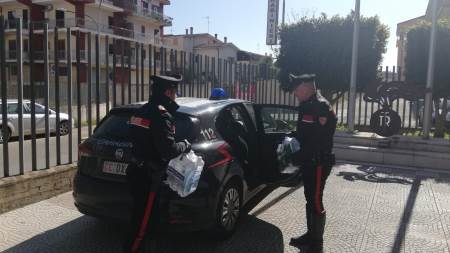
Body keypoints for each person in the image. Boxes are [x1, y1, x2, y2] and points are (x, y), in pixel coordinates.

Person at [124, 74, 191, 253]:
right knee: (145, 225)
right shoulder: (162, 115)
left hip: (136, 172)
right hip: (148, 178)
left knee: (138, 218)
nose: (175, 96)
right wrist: (184, 144)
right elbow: (168, 150)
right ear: (169, 93)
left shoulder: (142, 110)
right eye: (175, 92)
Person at [288, 74, 337, 253]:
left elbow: (318, 140)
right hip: (310, 161)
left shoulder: (320, 106)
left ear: (306, 87)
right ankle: (310, 235)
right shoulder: (308, 105)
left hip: (318, 162)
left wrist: (298, 155)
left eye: (296, 89)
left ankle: (317, 243)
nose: (294, 93)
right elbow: (305, 134)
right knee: (309, 198)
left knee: (315, 200)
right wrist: (290, 136)